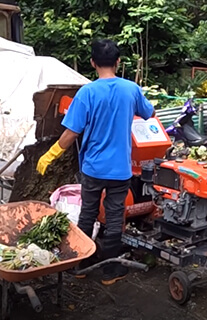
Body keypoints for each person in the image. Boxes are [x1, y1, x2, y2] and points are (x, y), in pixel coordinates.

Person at [36, 39, 156, 285]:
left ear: (92, 63)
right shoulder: (131, 89)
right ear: (118, 62)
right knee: (114, 217)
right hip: (120, 170)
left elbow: (71, 133)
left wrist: (50, 154)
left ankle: (81, 264)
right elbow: (149, 113)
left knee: (88, 214)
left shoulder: (87, 92)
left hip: (92, 168)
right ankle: (111, 271)